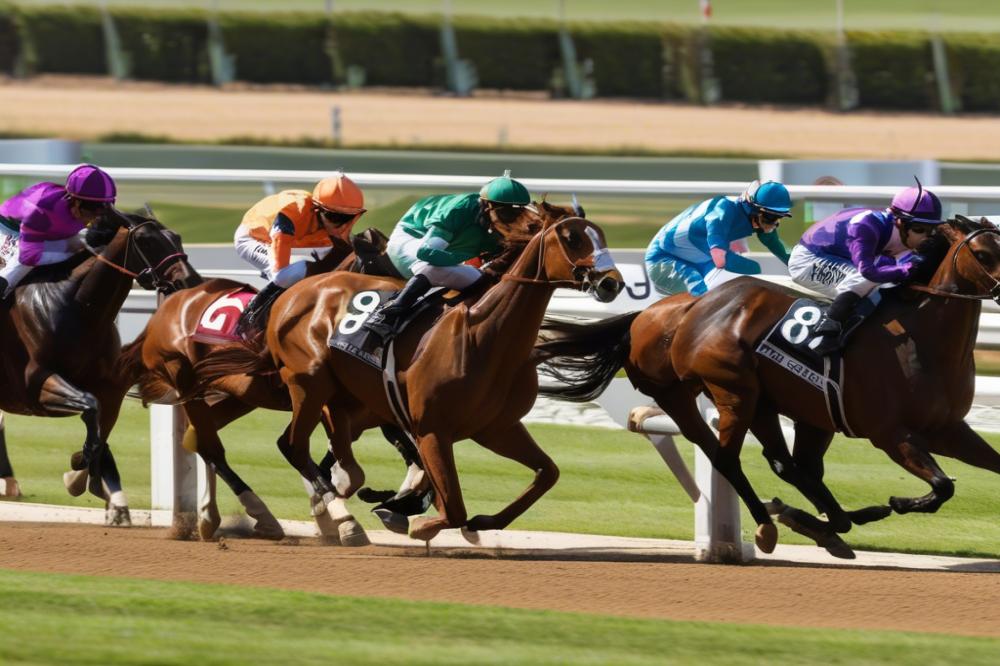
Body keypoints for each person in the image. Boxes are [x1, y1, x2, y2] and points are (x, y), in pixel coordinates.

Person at [361, 171, 531, 343]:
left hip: (440, 251)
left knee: (480, 279)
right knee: (433, 268)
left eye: (518, 214)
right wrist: (459, 261)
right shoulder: (459, 210)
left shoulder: (494, 219)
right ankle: (387, 315)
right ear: (488, 206)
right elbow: (426, 253)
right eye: (507, 214)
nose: (513, 221)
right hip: (410, 239)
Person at [788, 181, 944, 355]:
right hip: (809, 259)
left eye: (932, 230)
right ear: (900, 222)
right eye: (920, 229)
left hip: (842, 258)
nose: (925, 237)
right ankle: (827, 330)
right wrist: (905, 270)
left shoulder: (905, 236)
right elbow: (868, 271)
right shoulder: (866, 225)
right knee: (868, 279)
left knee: (893, 274)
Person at [235, 172, 366, 335]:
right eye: (333, 217)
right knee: (292, 274)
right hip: (254, 238)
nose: (340, 225)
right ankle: (250, 318)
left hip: (292, 238)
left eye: (347, 218)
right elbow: (280, 273)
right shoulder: (294, 211)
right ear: (317, 209)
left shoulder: (330, 222)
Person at [644, 179, 794, 297]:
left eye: (779, 217)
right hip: (664, 260)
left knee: (750, 274)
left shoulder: (754, 216)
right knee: (706, 298)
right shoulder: (723, 209)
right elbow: (719, 259)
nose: (774, 224)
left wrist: (798, 265)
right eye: (770, 217)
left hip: (700, 261)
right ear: (753, 209)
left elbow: (775, 244)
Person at [0, 164, 117, 299]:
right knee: (21, 264)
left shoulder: (86, 209)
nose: (95, 219)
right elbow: (28, 257)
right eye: (92, 211)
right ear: (75, 202)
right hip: (9, 228)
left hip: (46, 233)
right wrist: (70, 253)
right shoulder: (41, 209)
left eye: (103, 211)